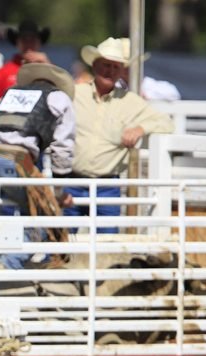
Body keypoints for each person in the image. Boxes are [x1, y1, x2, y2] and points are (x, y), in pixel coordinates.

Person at [67, 37, 174, 227]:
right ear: (95, 66)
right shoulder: (75, 93)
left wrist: (141, 128)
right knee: (61, 241)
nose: (110, 71)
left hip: (106, 185)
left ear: (121, 72)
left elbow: (166, 123)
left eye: (116, 67)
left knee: (107, 245)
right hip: (71, 181)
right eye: (106, 65)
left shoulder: (130, 102)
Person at [0, 63, 75, 269]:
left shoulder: (10, 94)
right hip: (15, 160)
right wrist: (59, 192)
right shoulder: (58, 98)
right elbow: (63, 148)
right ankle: (9, 264)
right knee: (45, 215)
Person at [0, 20, 52, 120]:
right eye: (24, 40)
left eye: (32, 40)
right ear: (17, 42)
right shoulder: (2, 73)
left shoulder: (49, 71)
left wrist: (47, 66)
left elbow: (60, 96)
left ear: (39, 42)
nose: (28, 45)